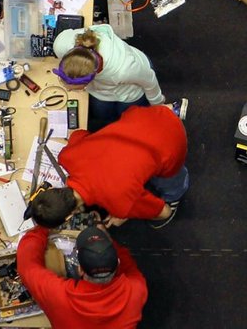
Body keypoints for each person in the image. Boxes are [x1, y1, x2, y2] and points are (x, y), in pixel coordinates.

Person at [25, 104, 188, 230]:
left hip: (172, 140)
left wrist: (125, 212)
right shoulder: (67, 157)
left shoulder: (120, 202)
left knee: (171, 179)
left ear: (68, 217)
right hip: (147, 115)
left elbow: (163, 212)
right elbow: (78, 135)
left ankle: (176, 193)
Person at [52, 24, 183, 131]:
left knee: (129, 118)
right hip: (102, 90)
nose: (68, 91)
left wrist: (159, 105)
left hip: (129, 90)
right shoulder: (61, 45)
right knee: (102, 115)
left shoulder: (124, 69)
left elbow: (150, 81)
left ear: (92, 78)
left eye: (76, 88)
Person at [16, 224, 147, 329]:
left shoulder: (58, 295)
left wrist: (43, 226)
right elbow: (130, 267)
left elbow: (26, 265)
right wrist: (110, 242)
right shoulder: (137, 289)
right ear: (117, 265)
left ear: (80, 270)